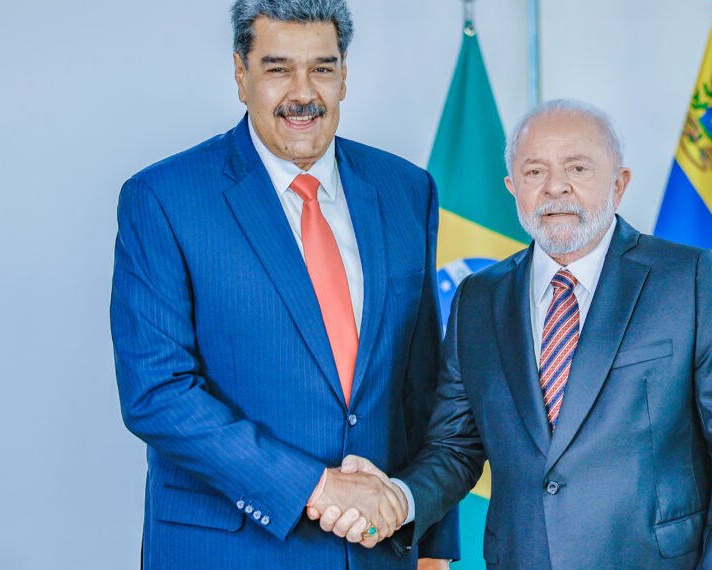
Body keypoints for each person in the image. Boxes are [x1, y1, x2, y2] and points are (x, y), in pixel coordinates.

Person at [325, 100, 712, 568]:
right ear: (512, 188)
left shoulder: (689, 280)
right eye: (534, 172)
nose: (555, 188)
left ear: (619, 184)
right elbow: (454, 448)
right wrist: (400, 496)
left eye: (578, 168)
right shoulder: (478, 299)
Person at [109, 1, 456, 567]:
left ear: (344, 76)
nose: (303, 93)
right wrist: (317, 487)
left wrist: (430, 539)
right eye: (277, 69)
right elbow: (157, 393)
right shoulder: (164, 198)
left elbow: (420, 383)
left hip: (377, 549)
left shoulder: (406, 190)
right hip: (227, 549)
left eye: (321, 67)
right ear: (240, 76)